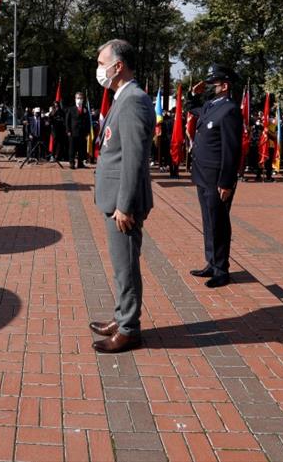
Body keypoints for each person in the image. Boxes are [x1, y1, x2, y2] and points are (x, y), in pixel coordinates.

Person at [89, 39, 155, 353]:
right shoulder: (123, 96)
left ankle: (129, 329)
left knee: (126, 267)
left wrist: (125, 205)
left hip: (122, 204)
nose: (98, 70)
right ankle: (121, 316)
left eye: (102, 64)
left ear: (118, 66)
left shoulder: (133, 100)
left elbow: (134, 158)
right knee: (120, 266)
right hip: (115, 199)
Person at [187, 65, 243, 288]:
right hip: (202, 174)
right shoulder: (211, 105)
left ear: (225, 86)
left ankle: (221, 270)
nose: (210, 87)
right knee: (208, 221)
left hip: (217, 177)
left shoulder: (230, 110)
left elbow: (232, 149)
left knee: (218, 222)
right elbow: (193, 108)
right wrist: (194, 94)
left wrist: (226, 181)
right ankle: (211, 262)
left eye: (213, 84)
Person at [65, 92, 92, 169]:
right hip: (73, 132)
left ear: (83, 99)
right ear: (75, 99)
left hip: (82, 132)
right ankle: (72, 163)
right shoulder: (71, 109)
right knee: (72, 148)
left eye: (81, 98)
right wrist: (68, 130)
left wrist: (88, 131)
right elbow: (67, 121)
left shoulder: (85, 109)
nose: (79, 100)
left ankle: (80, 163)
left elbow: (88, 121)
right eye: (78, 98)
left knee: (81, 148)